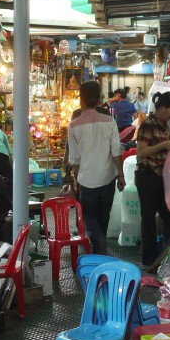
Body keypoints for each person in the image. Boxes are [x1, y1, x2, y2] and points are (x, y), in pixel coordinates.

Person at [68, 80, 125, 254]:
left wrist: (77, 181)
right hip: (108, 178)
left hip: (87, 180)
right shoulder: (109, 121)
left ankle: (98, 244)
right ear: (99, 99)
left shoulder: (74, 126)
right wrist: (121, 175)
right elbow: (116, 151)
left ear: (81, 100)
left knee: (89, 217)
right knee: (103, 217)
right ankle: (99, 249)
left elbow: (75, 159)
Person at [135, 91, 170, 268]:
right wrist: (164, 145)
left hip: (162, 177)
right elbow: (141, 152)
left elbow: (165, 150)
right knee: (148, 218)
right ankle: (149, 259)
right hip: (147, 176)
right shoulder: (148, 125)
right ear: (162, 108)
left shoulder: (164, 126)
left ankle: (165, 256)